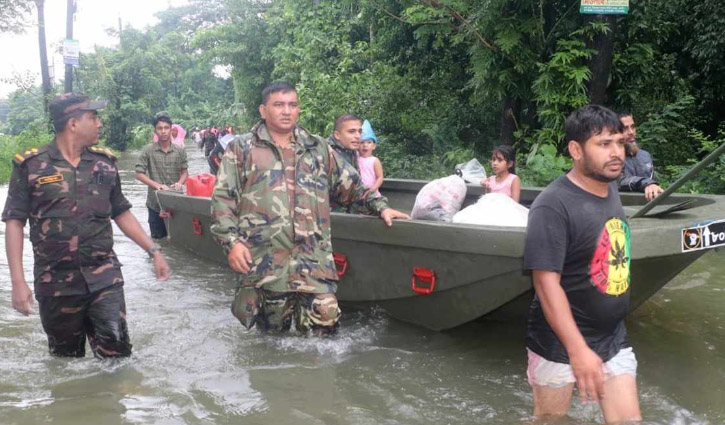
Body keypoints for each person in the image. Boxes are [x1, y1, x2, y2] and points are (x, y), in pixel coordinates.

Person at [210, 82, 409, 336]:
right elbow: (223, 199)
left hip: (314, 264)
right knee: (270, 344)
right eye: (278, 105)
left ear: (298, 110)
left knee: (323, 342)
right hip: (265, 266)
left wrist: (381, 208)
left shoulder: (317, 148)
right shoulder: (242, 149)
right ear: (263, 110)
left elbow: (353, 187)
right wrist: (232, 242)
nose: (286, 111)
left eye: (292, 105)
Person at [2, 92, 171, 358]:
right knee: (65, 363)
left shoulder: (105, 164)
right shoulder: (31, 166)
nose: (99, 123)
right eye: (93, 117)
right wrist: (17, 281)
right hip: (55, 284)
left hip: (104, 277)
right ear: (73, 123)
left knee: (117, 355)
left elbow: (122, 212)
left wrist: (154, 251)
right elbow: (14, 222)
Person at [523, 105, 641, 423]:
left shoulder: (610, 187)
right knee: (550, 419)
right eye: (604, 144)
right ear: (576, 150)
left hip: (612, 335)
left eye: (618, 142)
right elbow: (545, 284)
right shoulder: (552, 205)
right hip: (559, 343)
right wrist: (577, 350)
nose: (616, 152)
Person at [135, 112, 189, 240]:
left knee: (178, 240)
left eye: (166, 128)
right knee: (158, 241)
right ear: (155, 131)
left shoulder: (180, 150)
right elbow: (139, 174)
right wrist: (157, 186)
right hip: (155, 203)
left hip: (176, 202)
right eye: (160, 128)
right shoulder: (148, 150)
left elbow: (185, 172)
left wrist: (180, 183)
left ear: (171, 130)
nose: (163, 131)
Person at [617, 112, 663, 201]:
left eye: (633, 127)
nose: (631, 132)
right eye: (625, 128)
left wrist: (652, 186)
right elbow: (619, 181)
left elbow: (653, 186)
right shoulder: (611, 157)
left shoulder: (645, 156)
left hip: (647, 208)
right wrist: (647, 183)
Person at [357, 119, 383, 199]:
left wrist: (372, 190)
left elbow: (380, 177)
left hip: (372, 194)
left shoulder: (374, 161)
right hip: (358, 193)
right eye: (362, 142)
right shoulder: (355, 157)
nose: (365, 145)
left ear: (374, 146)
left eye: (369, 142)